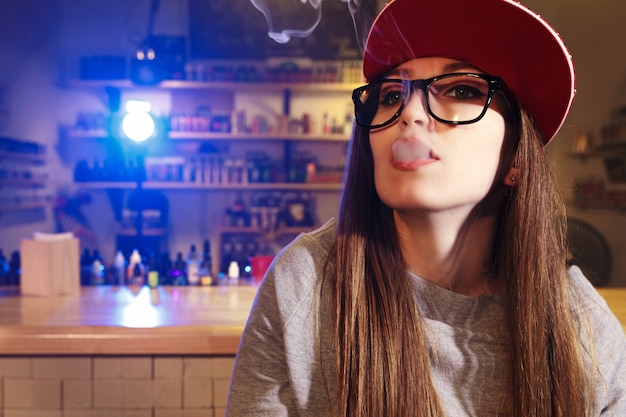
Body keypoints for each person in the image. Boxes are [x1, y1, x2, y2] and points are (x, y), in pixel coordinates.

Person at [226, 0, 626, 415]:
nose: (410, 113)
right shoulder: (305, 285)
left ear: (515, 159)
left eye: (462, 90)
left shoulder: (576, 322)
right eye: (392, 94)